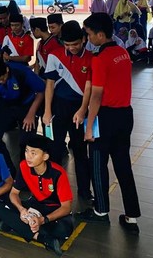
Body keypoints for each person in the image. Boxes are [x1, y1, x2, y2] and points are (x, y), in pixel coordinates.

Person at [79, 13, 141, 235]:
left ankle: (101, 211)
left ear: (100, 34)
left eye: (89, 34)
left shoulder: (100, 59)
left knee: (97, 163)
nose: (87, 39)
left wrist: (89, 126)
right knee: (123, 165)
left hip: (105, 117)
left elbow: (96, 96)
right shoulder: (123, 53)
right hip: (125, 115)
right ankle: (131, 216)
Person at [0, 135, 74, 255]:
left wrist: (43, 220)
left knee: (64, 230)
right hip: (35, 205)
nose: (28, 156)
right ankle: (42, 238)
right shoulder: (24, 166)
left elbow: (66, 207)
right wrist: (21, 210)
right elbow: (14, 193)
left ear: (45, 156)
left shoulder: (58, 173)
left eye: (33, 153)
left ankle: (16, 225)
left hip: (54, 211)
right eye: (26, 151)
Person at [42, 21, 92, 202]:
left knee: (80, 151)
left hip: (80, 109)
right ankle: (53, 190)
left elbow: (90, 88)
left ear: (83, 39)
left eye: (75, 44)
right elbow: (49, 85)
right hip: (59, 107)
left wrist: (83, 110)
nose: (71, 48)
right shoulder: (54, 56)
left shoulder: (91, 58)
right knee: (55, 151)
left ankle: (84, 191)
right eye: (67, 44)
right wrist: (47, 111)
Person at [0, 55, 45, 175]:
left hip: (27, 105)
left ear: (7, 70)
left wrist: (31, 114)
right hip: (6, 104)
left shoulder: (21, 72)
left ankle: (26, 174)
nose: (1, 82)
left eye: (3, 78)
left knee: (26, 142)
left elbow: (41, 91)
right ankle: (8, 171)